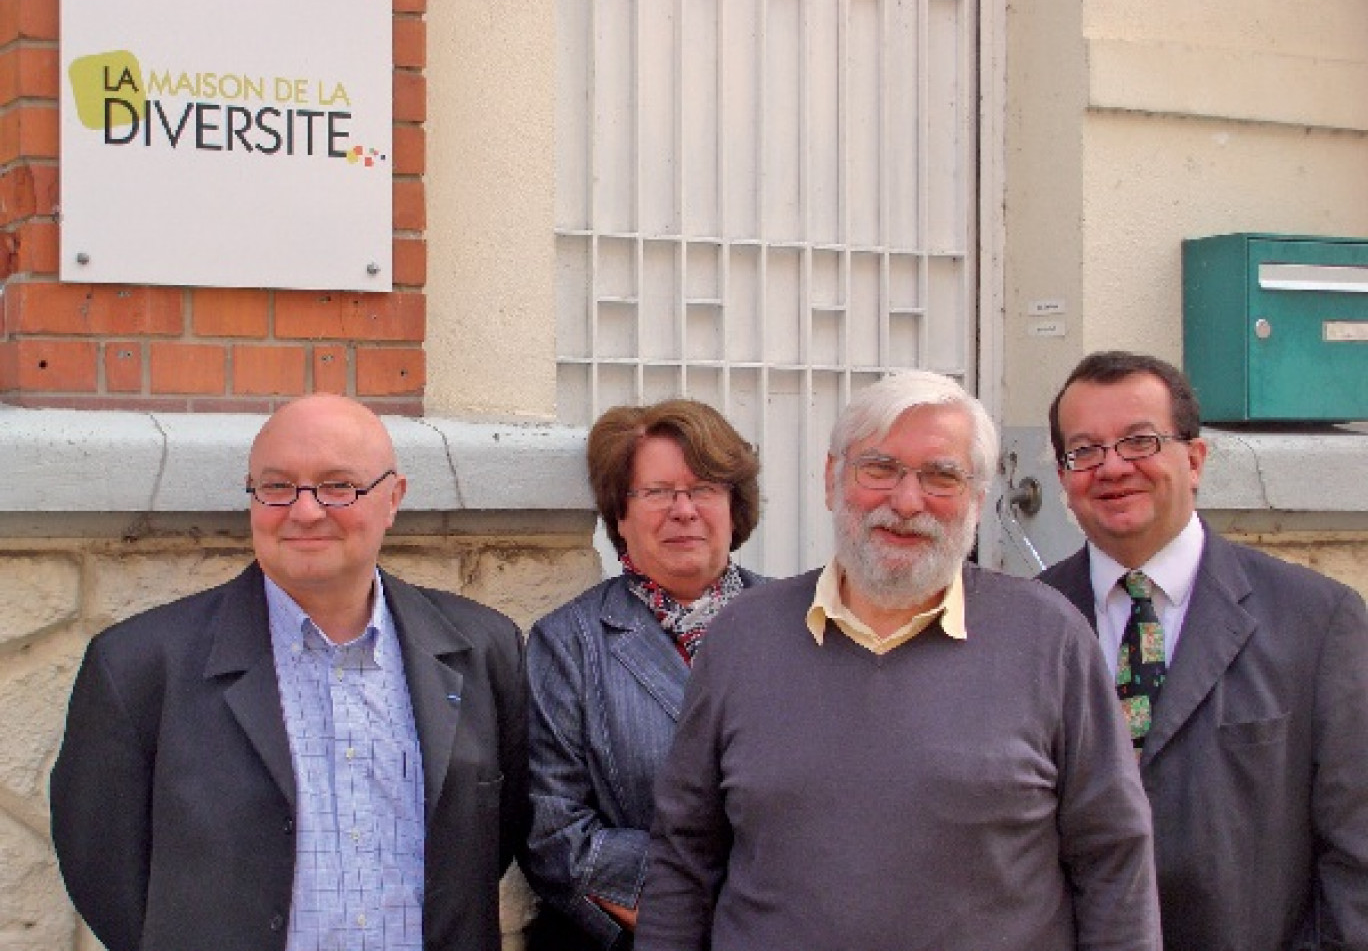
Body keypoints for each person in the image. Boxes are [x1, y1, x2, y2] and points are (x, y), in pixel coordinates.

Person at [634, 371, 1160, 951]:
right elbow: (683, 861)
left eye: (941, 477)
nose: (907, 503)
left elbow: (1113, 859)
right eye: (879, 469)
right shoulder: (742, 638)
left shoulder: (1050, 638)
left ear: (978, 502)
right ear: (833, 479)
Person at [50, 394, 529, 951]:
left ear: (393, 497)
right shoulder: (137, 668)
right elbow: (103, 867)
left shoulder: (482, 650)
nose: (305, 511)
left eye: (337, 485)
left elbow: (490, 843)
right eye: (277, 486)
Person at [1040, 350, 1368, 951]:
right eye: (1084, 451)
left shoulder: (1318, 622)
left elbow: (1358, 855)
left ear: (1194, 460)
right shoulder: (1029, 623)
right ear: (1062, 478)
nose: (1112, 468)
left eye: (1139, 441)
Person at [523, 399, 765, 951]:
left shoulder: (800, 623)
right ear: (620, 514)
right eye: (656, 492)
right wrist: (703, 907)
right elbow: (555, 835)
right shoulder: (569, 643)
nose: (683, 509)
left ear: (734, 506)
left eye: (704, 488)